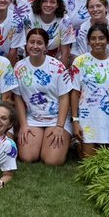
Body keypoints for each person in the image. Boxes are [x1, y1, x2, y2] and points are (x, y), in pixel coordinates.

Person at [13, 27, 73, 165]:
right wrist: (24, 125)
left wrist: (59, 126)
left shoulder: (57, 67)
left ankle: (66, 139)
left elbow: (64, 98)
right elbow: (18, 98)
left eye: (39, 43)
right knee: (27, 157)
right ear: (26, 45)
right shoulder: (18, 67)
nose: (35, 46)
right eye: (31, 42)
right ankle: (41, 141)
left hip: (56, 118)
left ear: (46, 46)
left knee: (52, 160)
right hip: (33, 118)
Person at [70, 23, 109, 156]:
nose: (97, 42)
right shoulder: (79, 62)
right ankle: (78, 146)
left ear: (108, 40)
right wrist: (75, 120)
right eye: (93, 38)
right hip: (88, 117)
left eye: (101, 38)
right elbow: (74, 93)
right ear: (88, 41)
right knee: (89, 161)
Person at [15, 0, 75, 67]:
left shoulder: (65, 21)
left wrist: (61, 73)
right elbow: (28, 48)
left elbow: (65, 52)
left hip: (56, 62)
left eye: (52, 2)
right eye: (45, 1)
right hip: (33, 58)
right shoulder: (29, 19)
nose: (48, 5)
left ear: (57, 5)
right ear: (40, 3)